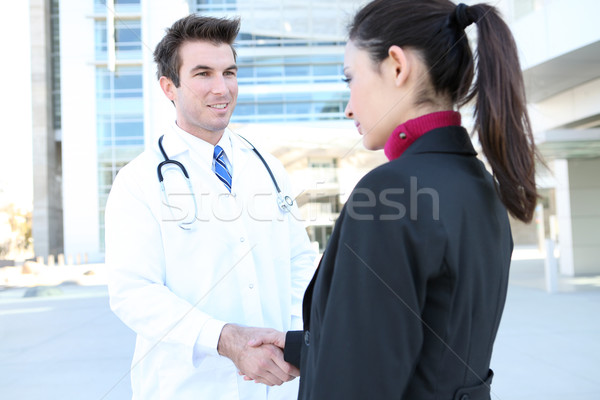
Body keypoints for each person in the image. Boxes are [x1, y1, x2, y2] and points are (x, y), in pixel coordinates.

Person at [247, 1, 540, 399]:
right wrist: (303, 346)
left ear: (398, 67)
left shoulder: (390, 193)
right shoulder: (479, 183)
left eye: (350, 78)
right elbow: (435, 339)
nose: (349, 105)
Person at [105, 15, 316, 399]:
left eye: (229, 72)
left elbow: (300, 260)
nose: (222, 88)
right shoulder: (138, 180)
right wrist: (224, 339)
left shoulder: (267, 167)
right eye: (203, 74)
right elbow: (132, 291)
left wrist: (291, 339)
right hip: (189, 388)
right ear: (169, 87)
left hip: (279, 383)